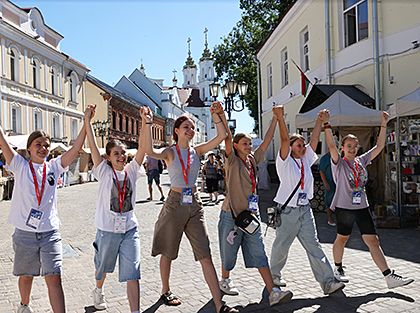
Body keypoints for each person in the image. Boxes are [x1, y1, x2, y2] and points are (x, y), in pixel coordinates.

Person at [0, 97, 88, 313]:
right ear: (29, 148)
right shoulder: (19, 165)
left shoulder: (55, 167)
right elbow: (2, 140)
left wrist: (87, 120)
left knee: (54, 277)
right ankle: (24, 305)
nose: (43, 148)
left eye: (46, 145)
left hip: (50, 232)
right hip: (25, 232)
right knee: (26, 275)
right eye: (38, 144)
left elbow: (76, 147)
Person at [143, 102, 238, 313]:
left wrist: (217, 115)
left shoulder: (197, 151)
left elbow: (222, 135)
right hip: (175, 202)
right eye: (186, 126)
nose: (191, 130)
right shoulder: (170, 152)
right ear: (176, 130)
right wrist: (147, 122)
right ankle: (165, 290)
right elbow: (149, 150)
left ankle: (220, 305)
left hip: (195, 204)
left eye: (192, 127)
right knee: (168, 251)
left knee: (205, 253)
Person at [321, 110, 414, 288]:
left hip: (361, 207)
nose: (352, 149)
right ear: (343, 147)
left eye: (355, 146)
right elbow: (331, 146)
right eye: (348, 146)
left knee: (373, 241)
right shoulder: (338, 163)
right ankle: (338, 268)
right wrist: (327, 124)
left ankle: (388, 277)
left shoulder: (361, 161)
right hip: (344, 208)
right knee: (342, 239)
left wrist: (384, 124)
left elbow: (379, 147)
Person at [217, 105, 293, 307]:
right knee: (228, 252)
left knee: (259, 252)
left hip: (251, 215)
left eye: (250, 143)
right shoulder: (231, 160)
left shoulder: (252, 159)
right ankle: (224, 280)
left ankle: (273, 292)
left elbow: (267, 141)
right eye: (245, 143)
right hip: (231, 215)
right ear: (235, 145)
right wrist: (223, 116)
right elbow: (226, 137)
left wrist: (276, 119)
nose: (249, 146)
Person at [270, 109, 345, 295]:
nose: (302, 148)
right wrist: (280, 118)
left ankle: (327, 282)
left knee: (314, 246)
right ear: (290, 147)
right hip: (287, 211)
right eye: (298, 145)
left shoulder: (306, 159)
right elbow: (285, 140)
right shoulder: (284, 161)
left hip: (305, 210)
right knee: (282, 246)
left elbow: (313, 140)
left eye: (303, 146)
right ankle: (273, 276)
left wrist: (319, 120)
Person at [85, 104, 148, 312]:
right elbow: (93, 146)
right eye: (116, 154)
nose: (121, 156)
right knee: (102, 268)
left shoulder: (132, 172)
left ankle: (135, 311)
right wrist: (88, 119)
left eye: (123, 153)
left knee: (133, 272)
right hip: (107, 230)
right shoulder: (103, 172)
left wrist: (145, 121)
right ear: (108, 158)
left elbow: (143, 148)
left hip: (130, 230)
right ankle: (99, 290)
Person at [319, 152, 337, 226]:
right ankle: (330, 219)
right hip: (329, 182)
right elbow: (321, 171)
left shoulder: (336, 157)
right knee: (329, 200)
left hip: (336, 183)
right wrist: (326, 183)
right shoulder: (325, 158)